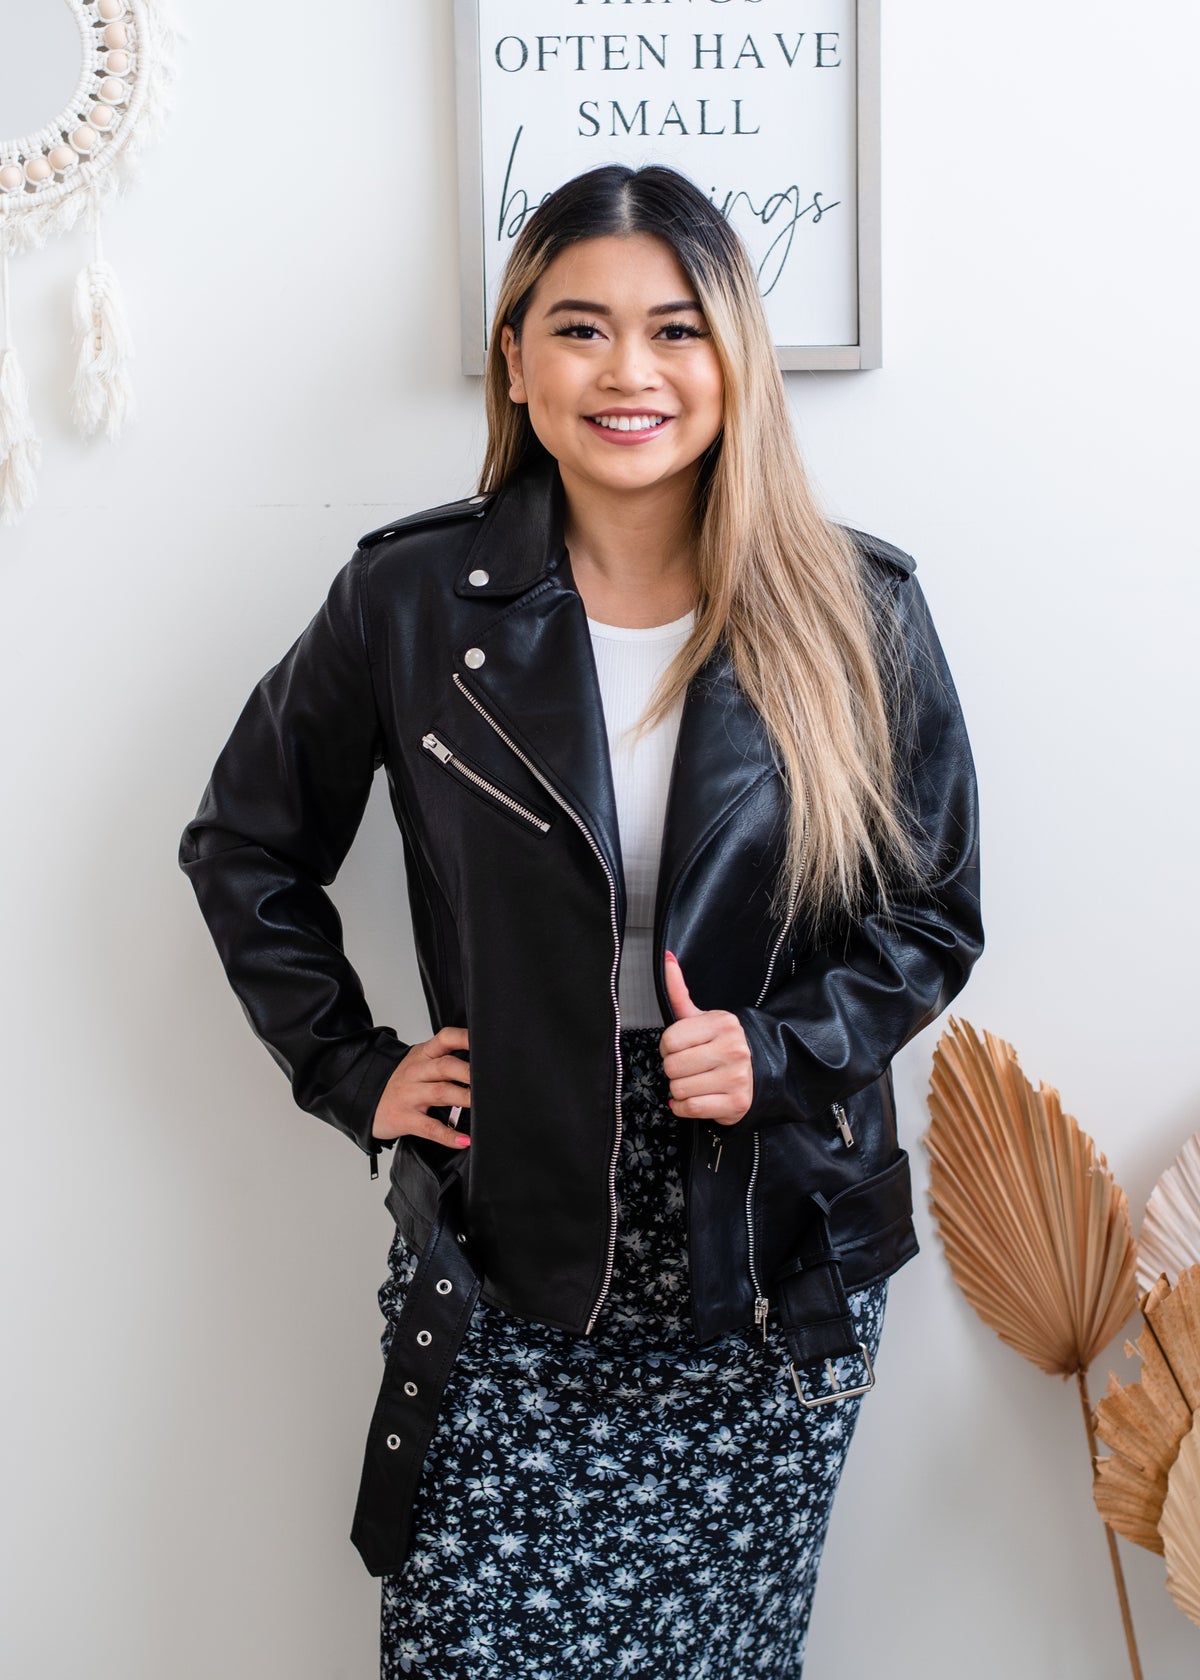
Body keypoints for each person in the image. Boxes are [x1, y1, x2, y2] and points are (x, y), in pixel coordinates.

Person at [179, 162, 982, 1678]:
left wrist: (779, 1049)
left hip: (768, 1241)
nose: (630, 372)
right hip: (506, 1221)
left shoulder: (856, 607)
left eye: (676, 329)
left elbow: (931, 913)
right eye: (580, 328)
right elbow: (244, 847)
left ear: (735, 358)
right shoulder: (409, 600)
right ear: (516, 360)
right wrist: (353, 1069)